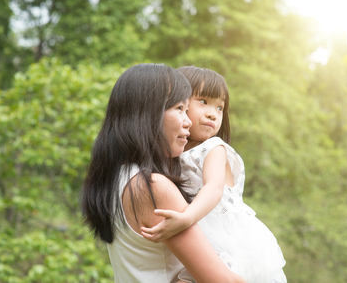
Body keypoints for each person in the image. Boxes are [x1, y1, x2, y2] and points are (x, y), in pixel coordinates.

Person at [80, 63, 246, 283]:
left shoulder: (117, 178)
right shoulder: (151, 186)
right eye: (179, 109)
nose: (188, 121)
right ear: (148, 113)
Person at [141, 66, 287, 283]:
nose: (213, 113)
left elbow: (214, 188)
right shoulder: (172, 153)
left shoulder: (213, 148)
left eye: (220, 108)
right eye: (203, 101)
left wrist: (187, 218)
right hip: (205, 241)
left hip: (232, 241)